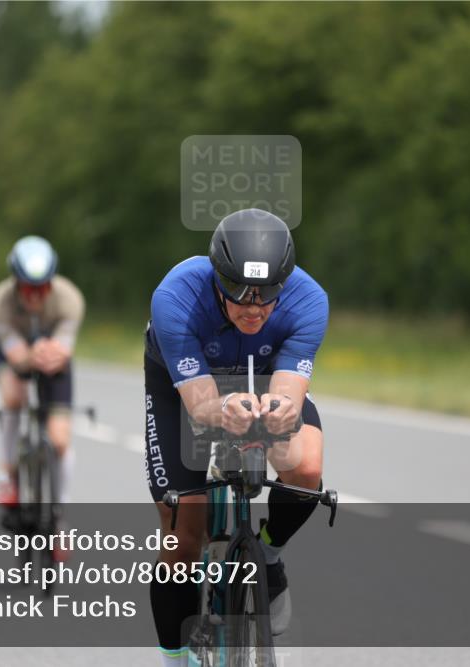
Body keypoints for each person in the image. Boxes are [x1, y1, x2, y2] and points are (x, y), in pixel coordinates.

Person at [144, 208, 328, 666]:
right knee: (183, 534)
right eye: (240, 292)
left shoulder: (309, 301)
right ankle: (176, 659)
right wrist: (223, 409)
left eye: (267, 295)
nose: (254, 306)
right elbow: (201, 405)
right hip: (184, 387)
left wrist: (281, 411)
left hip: (262, 378)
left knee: (305, 467)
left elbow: (288, 389)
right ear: (217, 277)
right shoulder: (176, 296)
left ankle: (267, 553)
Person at [0, 236, 85, 531]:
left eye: (42, 288)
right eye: (28, 288)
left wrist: (53, 354)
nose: (35, 297)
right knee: (14, 398)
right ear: (15, 283)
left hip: (53, 356)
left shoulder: (70, 299)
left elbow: (64, 349)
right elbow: (17, 358)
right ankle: (7, 472)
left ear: (52, 284)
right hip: (12, 352)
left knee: (60, 440)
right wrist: (33, 355)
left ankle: (61, 516)